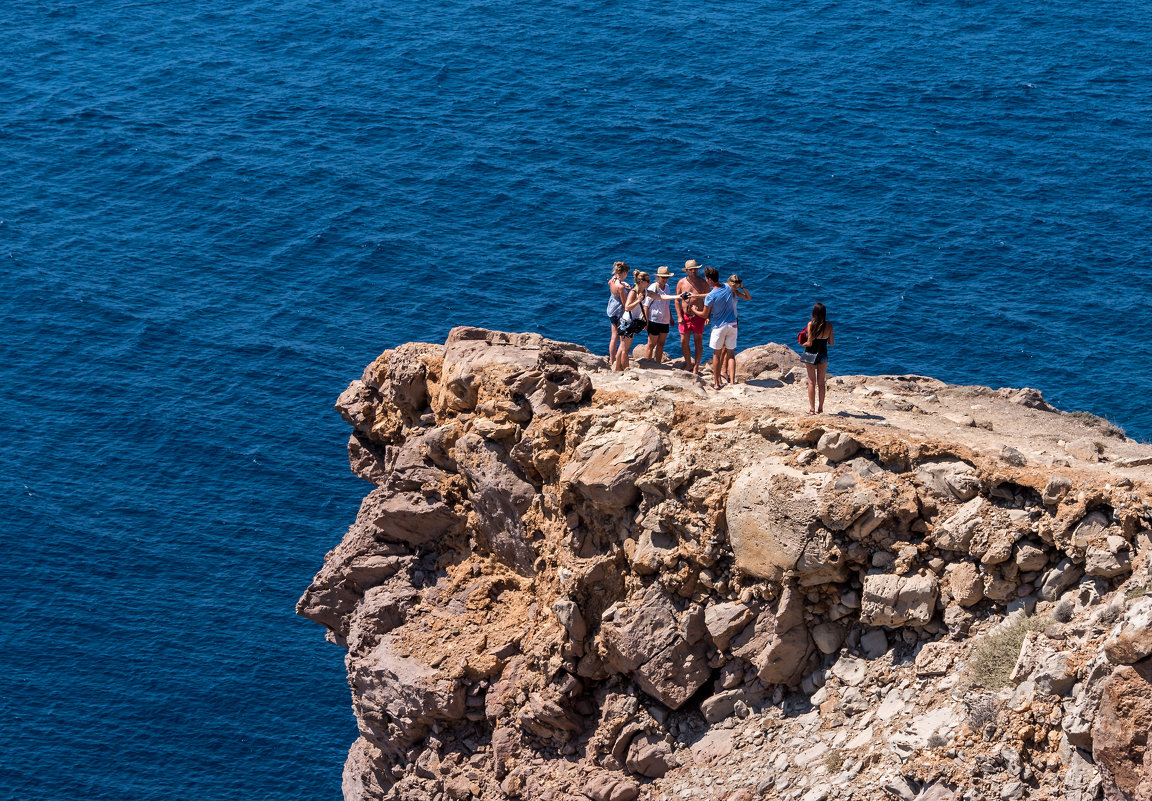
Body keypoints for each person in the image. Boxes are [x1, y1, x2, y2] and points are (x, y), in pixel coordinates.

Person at [701, 267, 742, 390]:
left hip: (719, 327)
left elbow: (704, 314)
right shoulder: (728, 287)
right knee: (731, 354)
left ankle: (717, 383)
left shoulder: (711, 296)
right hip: (733, 324)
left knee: (716, 355)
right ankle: (732, 382)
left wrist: (692, 309)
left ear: (709, 280)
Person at [675, 259, 710, 373]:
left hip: (698, 316)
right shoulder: (681, 283)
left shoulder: (703, 283)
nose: (694, 271)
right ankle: (689, 364)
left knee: (698, 342)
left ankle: (696, 366)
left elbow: (709, 300)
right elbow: (677, 301)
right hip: (685, 316)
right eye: (691, 269)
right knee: (683, 341)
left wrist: (707, 315)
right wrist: (679, 316)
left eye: (695, 269)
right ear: (686, 271)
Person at [800, 302, 834, 414]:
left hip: (811, 354)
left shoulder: (811, 325)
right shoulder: (829, 325)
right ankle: (820, 409)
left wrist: (802, 344)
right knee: (821, 382)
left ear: (814, 313)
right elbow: (831, 343)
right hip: (823, 354)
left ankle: (812, 409)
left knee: (811, 382)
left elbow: (809, 343)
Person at [643, 266, 681, 363]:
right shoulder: (653, 288)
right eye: (663, 277)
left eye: (666, 277)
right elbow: (646, 306)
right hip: (654, 320)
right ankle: (648, 364)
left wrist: (671, 318)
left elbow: (667, 304)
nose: (665, 279)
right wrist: (646, 321)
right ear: (658, 277)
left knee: (661, 344)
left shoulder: (667, 287)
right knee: (651, 345)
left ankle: (658, 364)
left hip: (665, 320)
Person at [615, 271, 651, 371]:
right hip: (627, 323)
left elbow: (660, 297)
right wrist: (638, 300)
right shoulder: (633, 292)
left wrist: (678, 296)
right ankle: (626, 370)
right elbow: (627, 307)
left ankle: (618, 368)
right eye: (647, 281)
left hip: (629, 322)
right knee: (625, 350)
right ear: (641, 281)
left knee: (622, 347)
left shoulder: (645, 292)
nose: (649, 282)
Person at [606, 261, 631, 364]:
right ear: (624, 272)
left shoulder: (612, 280)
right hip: (619, 312)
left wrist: (623, 283)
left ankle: (612, 361)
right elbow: (625, 304)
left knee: (613, 337)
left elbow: (614, 285)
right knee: (622, 338)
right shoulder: (620, 288)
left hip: (612, 310)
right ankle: (619, 360)